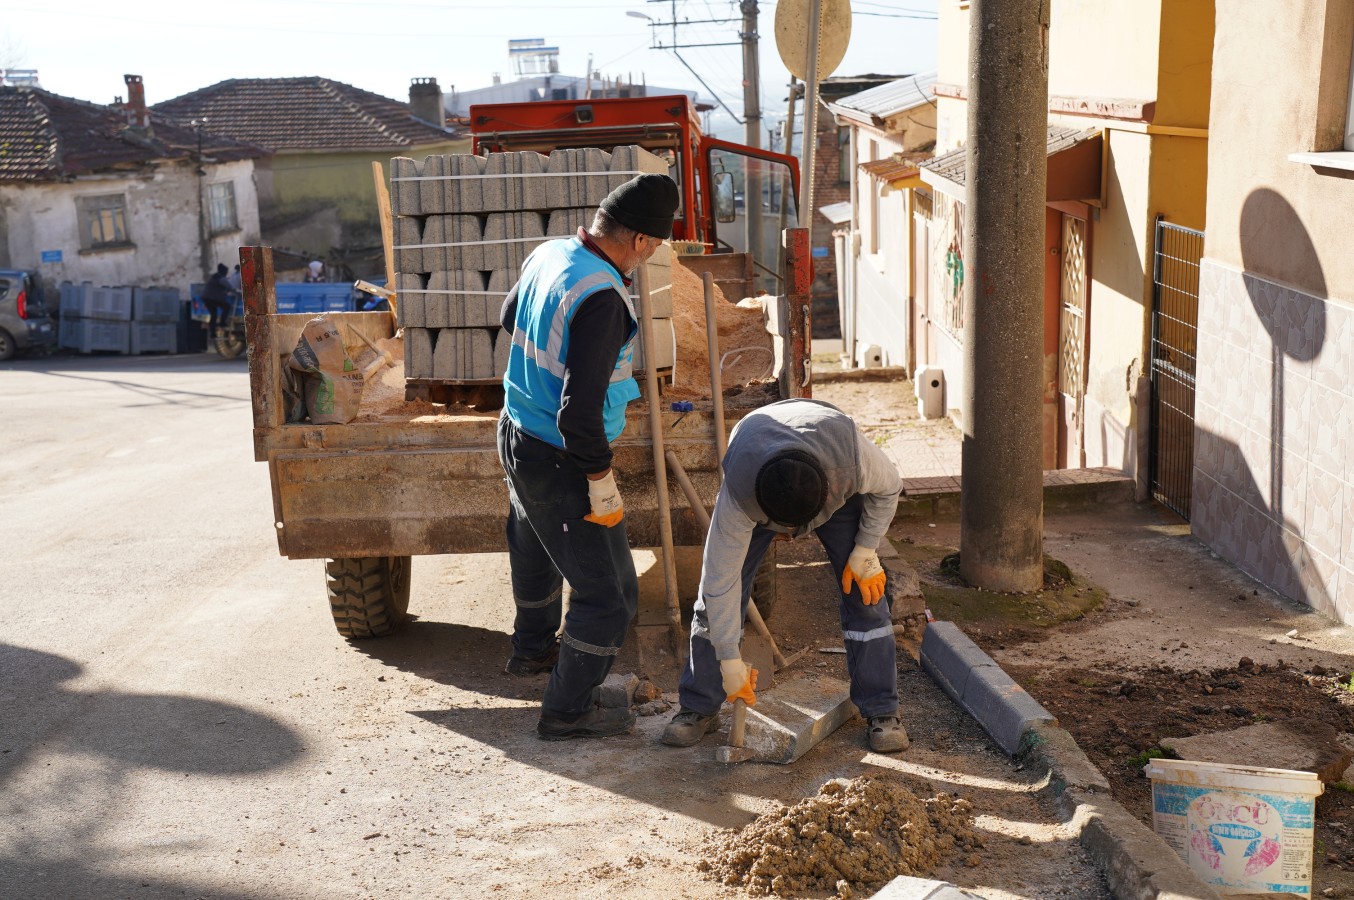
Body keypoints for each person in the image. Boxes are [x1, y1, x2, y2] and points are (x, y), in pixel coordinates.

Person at [497, 173, 680, 741]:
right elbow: (578, 415)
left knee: (535, 543)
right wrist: (600, 479)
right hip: (560, 455)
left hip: (516, 429)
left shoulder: (552, 253)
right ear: (643, 242)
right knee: (610, 592)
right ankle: (567, 709)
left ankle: (531, 651)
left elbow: (510, 317)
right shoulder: (603, 298)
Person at [660, 398, 909, 753]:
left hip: (830, 471)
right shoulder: (742, 490)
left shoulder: (851, 459)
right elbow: (721, 582)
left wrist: (866, 549)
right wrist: (730, 658)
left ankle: (882, 709)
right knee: (711, 602)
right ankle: (698, 705)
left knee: (865, 593)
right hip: (763, 468)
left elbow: (889, 487)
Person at [201, 263, 233, 341]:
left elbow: (216, 288)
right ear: (224, 272)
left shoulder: (214, 276)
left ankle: (213, 334)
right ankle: (222, 323)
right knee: (227, 306)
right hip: (212, 298)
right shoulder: (222, 279)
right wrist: (229, 291)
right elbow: (230, 287)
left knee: (214, 315)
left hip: (206, 298)